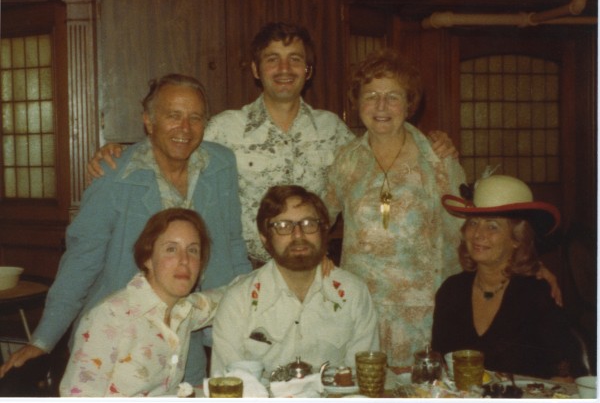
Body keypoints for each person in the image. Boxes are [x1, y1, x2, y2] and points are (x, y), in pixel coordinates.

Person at [86, 22, 458, 268]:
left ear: (307, 71)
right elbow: (174, 143)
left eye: (295, 59)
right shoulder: (223, 129)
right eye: (272, 59)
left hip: (315, 273)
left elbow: (383, 151)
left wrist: (436, 142)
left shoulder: (334, 131)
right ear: (255, 69)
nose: (284, 68)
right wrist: (120, 150)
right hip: (242, 271)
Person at [0, 74, 250, 384]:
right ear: (149, 121)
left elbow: (233, 243)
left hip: (193, 328)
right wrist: (42, 340)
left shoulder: (220, 164)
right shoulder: (114, 174)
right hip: (122, 336)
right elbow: (82, 260)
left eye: (195, 117)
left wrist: (249, 312)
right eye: (173, 116)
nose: (185, 128)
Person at [322, 48, 466, 368]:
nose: (381, 106)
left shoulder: (436, 157)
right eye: (371, 95)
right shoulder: (346, 160)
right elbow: (319, 221)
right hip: (362, 308)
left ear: (409, 103)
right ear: (357, 102)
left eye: (393, 96)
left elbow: (463, 228)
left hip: (424, 312)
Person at [210, 185, 379, 375]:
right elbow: (225, 384)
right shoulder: (239, 301)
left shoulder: (353, 293)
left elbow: (362, 378)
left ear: (323, 232)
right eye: (283, 226)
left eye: (308, 224)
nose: (298, 235)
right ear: (265, 238)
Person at [60, 208, 221, 397]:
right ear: (148, 258)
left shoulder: (185, 309)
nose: (184, 260)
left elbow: (231, 295)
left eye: (193, 250)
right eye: (171, 249)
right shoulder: (109, 318)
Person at [431, 174, 578, 381]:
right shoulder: (451, 290)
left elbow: (563, 377)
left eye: (492, 226)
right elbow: (440, 369)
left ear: (517, 239)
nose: (478, 234)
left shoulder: (538, 294)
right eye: (473, 223)